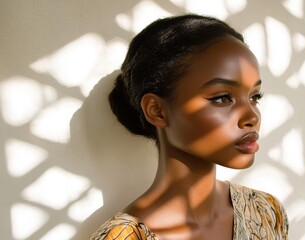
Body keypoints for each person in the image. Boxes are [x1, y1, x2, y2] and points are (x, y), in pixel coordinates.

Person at [90, 14, 289, 240]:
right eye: (223, 97)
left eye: (255, 96)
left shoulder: (266, 212)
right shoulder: (123, 237)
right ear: (157, 110)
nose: (251, 116)